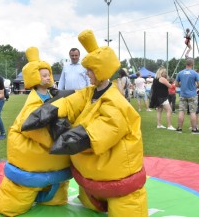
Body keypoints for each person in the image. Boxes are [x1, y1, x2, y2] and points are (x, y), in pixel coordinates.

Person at [22, 30, 148, 216]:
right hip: (90, 178)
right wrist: (50, 111)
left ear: (100, 70)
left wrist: (74, 137)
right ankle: (93, 197)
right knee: (89, 206)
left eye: (90, 70)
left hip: (117, 178)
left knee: (126, 208)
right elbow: (70, 102)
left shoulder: (117, 102)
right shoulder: (90, 92)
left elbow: (106, 128)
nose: (87, 73)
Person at [0, 47, 72, 217]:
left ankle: (52, 192)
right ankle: (18, 198)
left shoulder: (54, 96)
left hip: (55, 163)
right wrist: (57, 142)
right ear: (34, 77)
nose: (48, 77)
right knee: (11, 205)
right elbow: (32, 127)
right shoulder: (32, 103)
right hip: (34, 162)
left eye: (48, 73)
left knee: (57, 199)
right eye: (43, 75)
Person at [175, 58, 199, 134]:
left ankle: (179, 129)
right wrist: (194, 86)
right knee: (193, 112)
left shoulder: (180, 73)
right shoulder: (195, 73)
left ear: (185, 64)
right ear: (192, 64)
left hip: (183, 95)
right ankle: (194, 129)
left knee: (181, 111)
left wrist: (182, 85)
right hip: (192, 95)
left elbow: (176, 84)